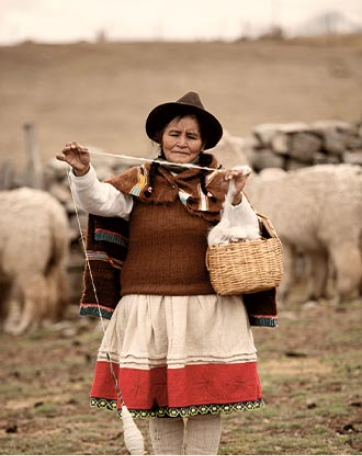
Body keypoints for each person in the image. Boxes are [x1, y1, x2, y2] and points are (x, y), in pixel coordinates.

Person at [57, 91, 278, 455]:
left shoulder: (218, 184)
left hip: (207, 310)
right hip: (148, 308)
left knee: (209, 401)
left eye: (191, 136)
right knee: (160, 401)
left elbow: (245, 232)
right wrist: (83, 173)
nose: (182, 142)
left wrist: (235, 196)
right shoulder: (140, 181)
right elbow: (99, 201)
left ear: (203, 143)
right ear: (160, 137)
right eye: (175, 134)